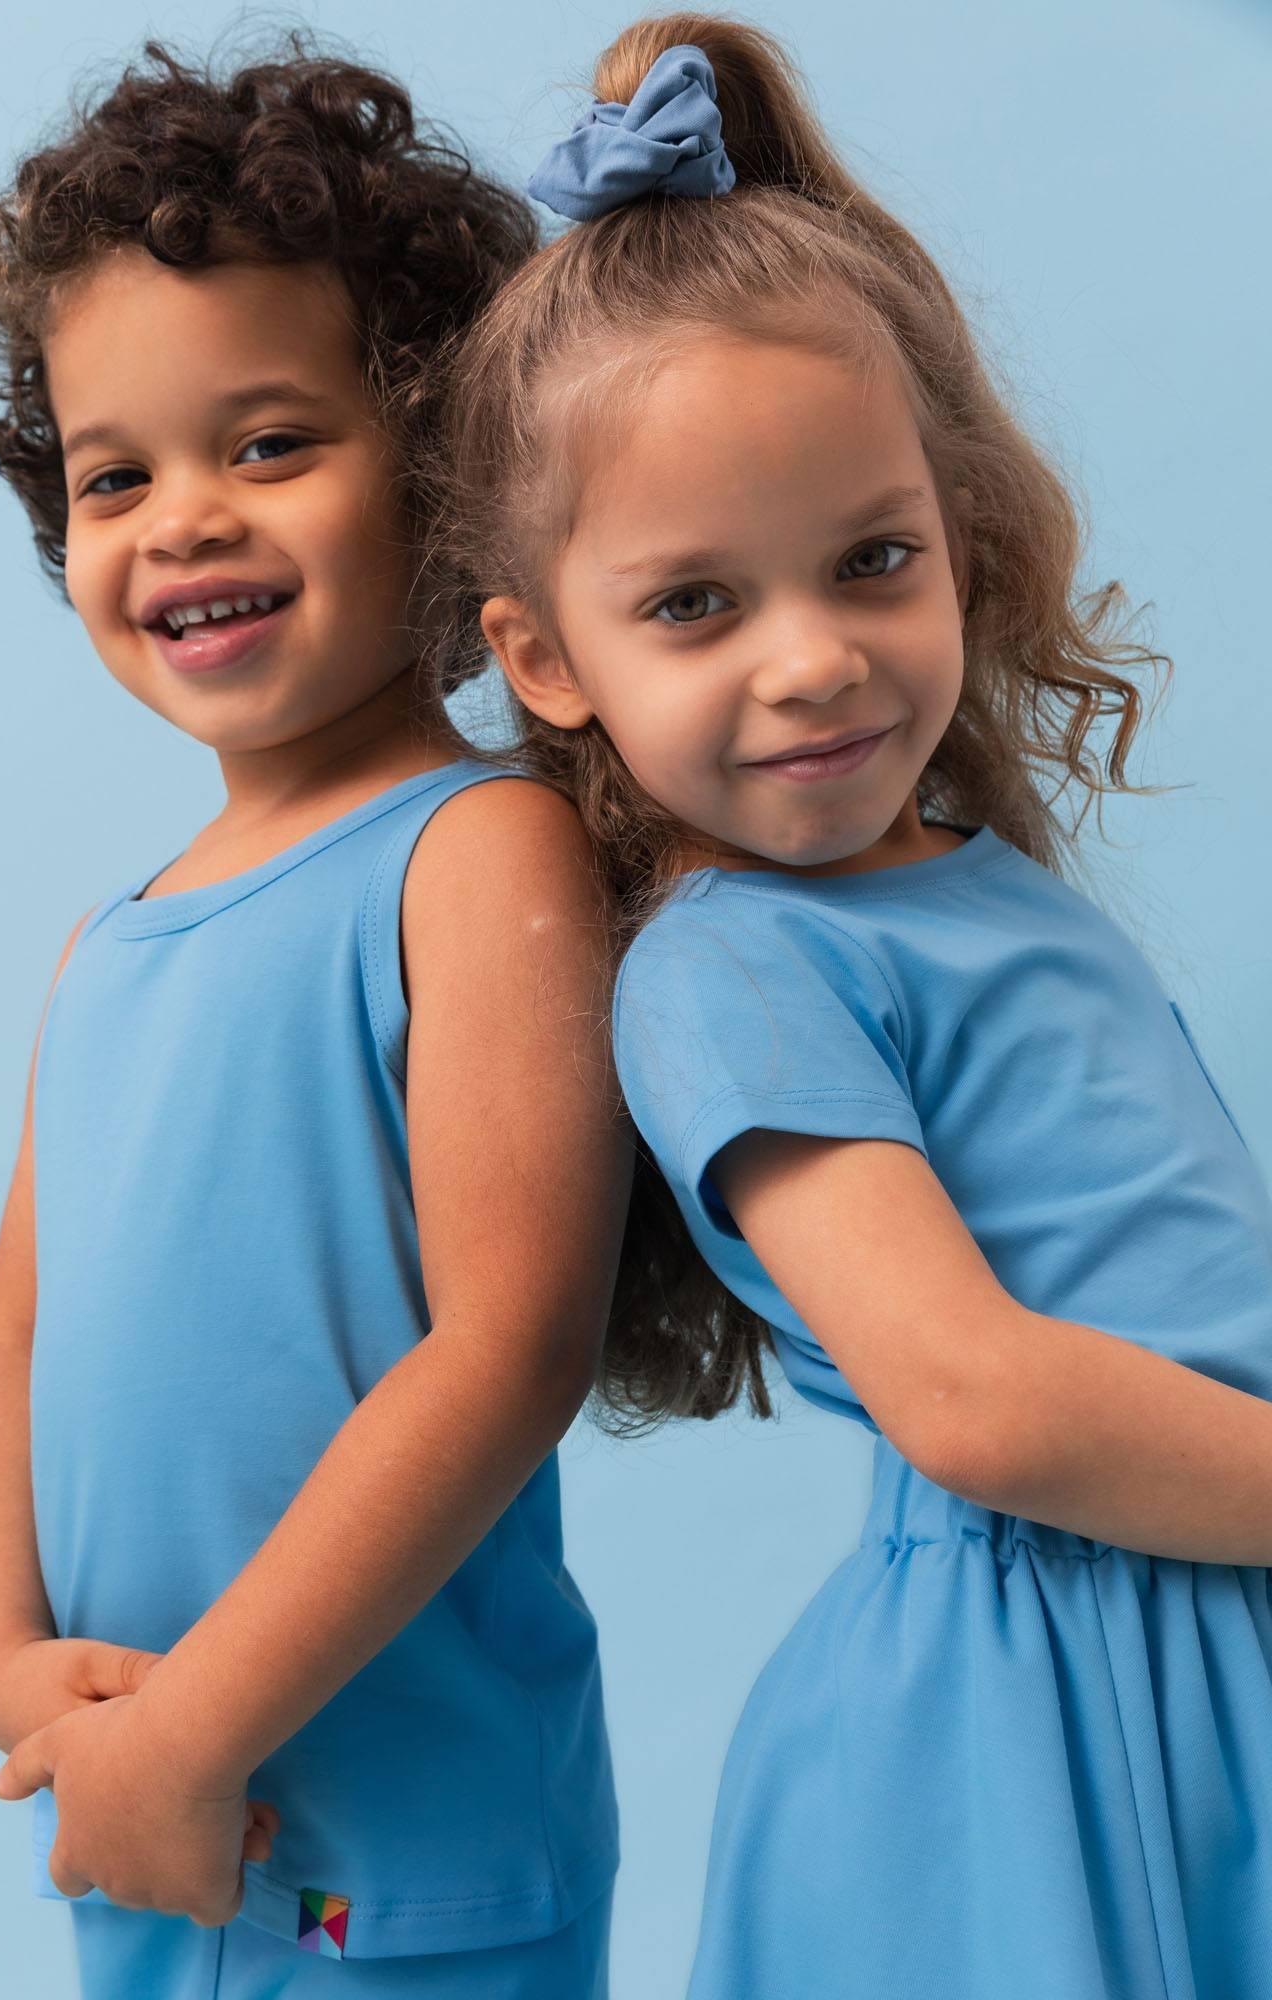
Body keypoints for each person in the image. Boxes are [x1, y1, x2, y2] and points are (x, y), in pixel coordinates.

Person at [432, 16, 1272, 1996]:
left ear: (956, 551)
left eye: (869, 562)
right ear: (545, 658)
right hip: (1043, 1699)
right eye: (695, 604)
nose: (811, 660)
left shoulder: (984, 890)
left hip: (1202, 1599)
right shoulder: (732, 966)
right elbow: (973, 1392)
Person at [0, 40, 620, 1997]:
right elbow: (9, 1351)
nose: (181, 523)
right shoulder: (109, 942)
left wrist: (191, 1723)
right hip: (151, 1826)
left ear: (435, 458)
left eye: (268, 444)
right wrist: (8, 1665)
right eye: (115, 474)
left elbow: (506, 1352)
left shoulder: (473, 854)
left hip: (394, 1855)